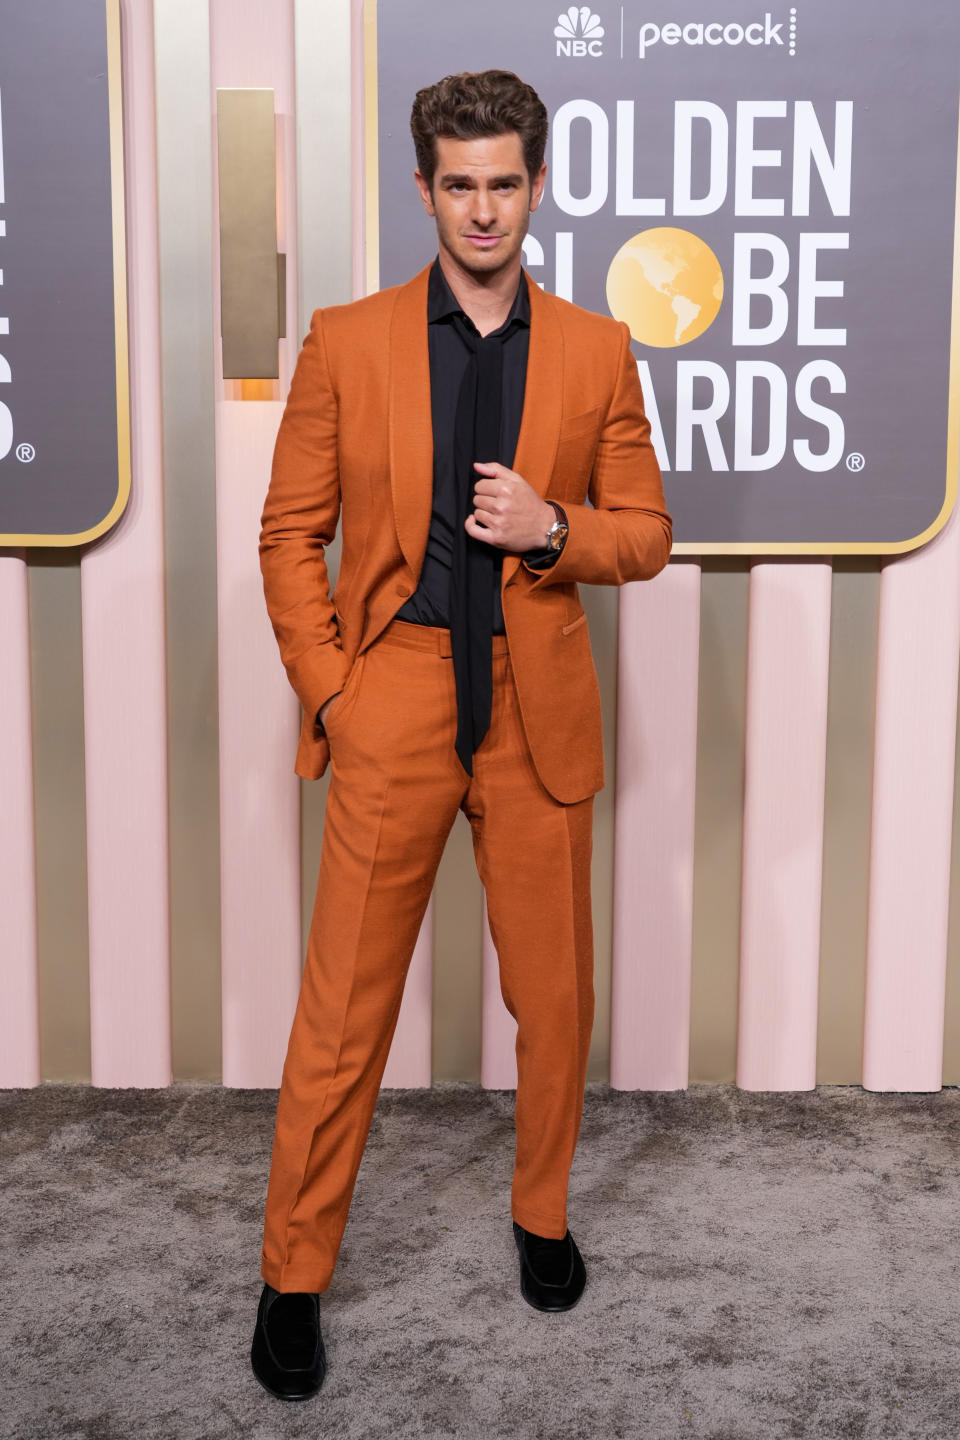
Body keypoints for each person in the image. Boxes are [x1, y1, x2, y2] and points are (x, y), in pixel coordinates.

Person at [250, 68, 671, 1400]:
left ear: (536, 188)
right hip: (401, 697)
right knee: (341, 1018)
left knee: (555, 1004)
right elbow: (286, 535)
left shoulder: (600, 350)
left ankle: (541, 1214)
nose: (483, 210)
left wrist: (555, 528)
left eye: (505, 183)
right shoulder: (347, 338)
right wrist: (333, 689)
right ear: (425, 188)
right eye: (459, 185)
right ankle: (294, 1276)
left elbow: (649, 537)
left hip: (537, 702)